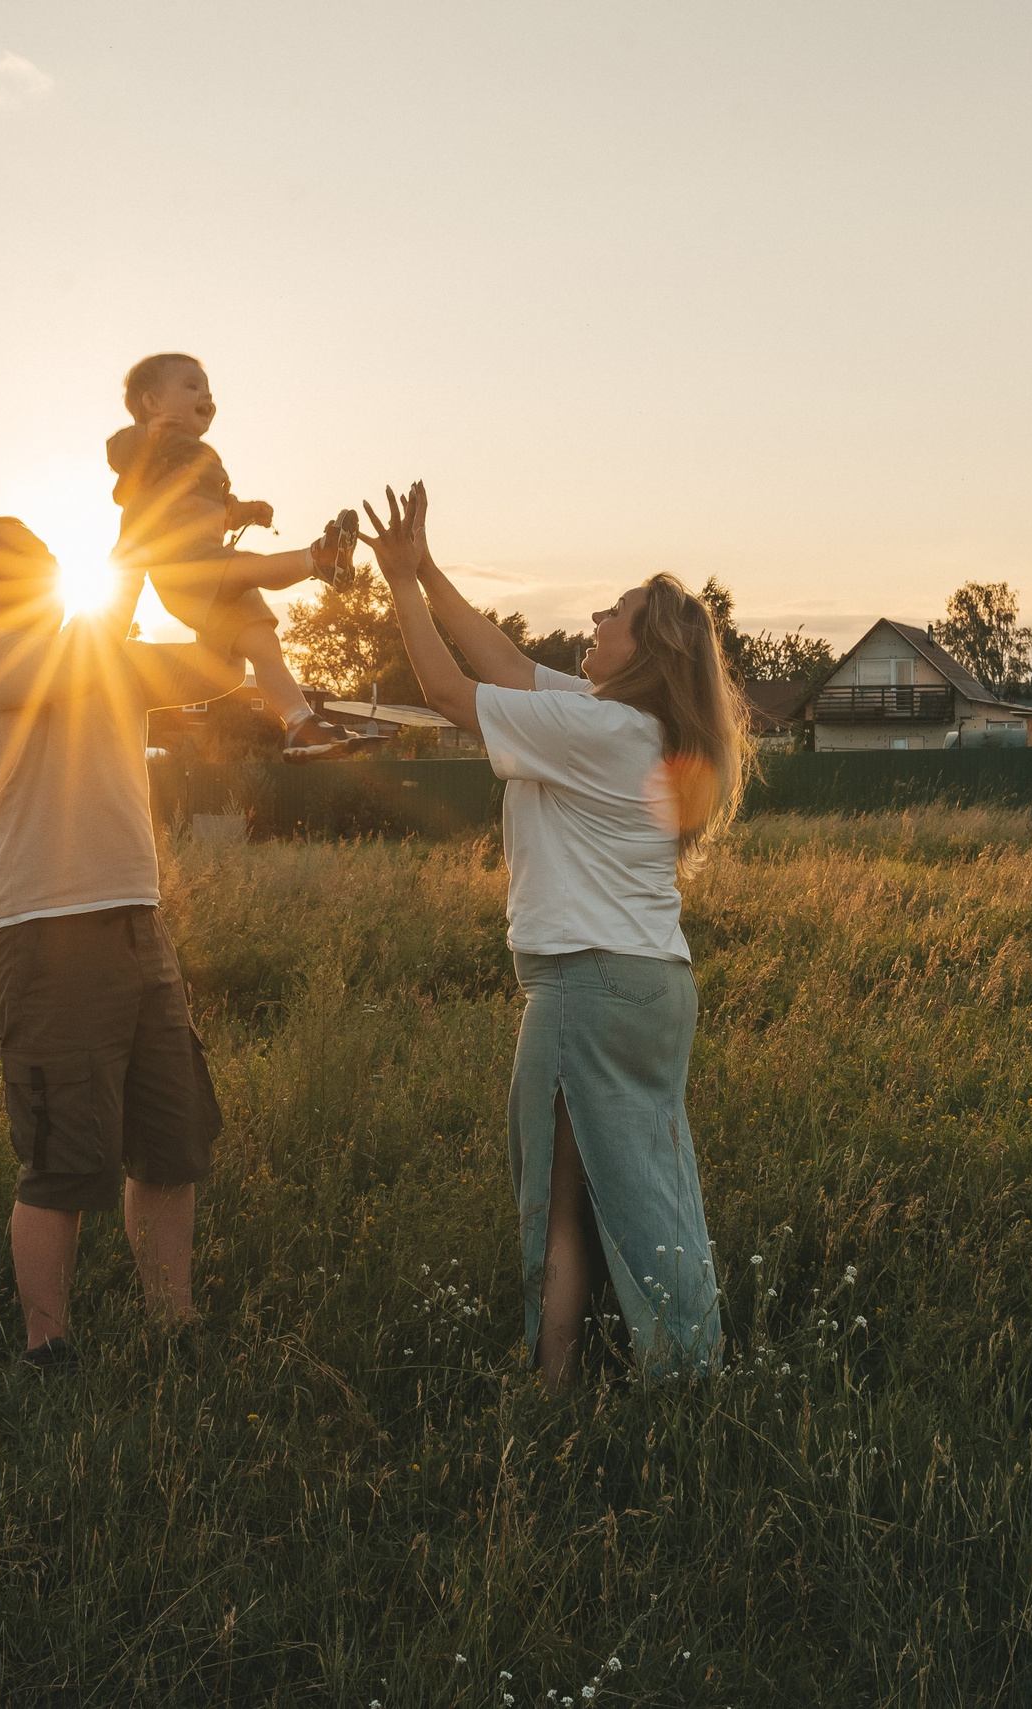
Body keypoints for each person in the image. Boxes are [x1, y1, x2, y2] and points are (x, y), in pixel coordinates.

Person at [363, 482, 746, 1384]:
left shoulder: (601, 727)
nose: (598, 614)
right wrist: (423, 566)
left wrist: (398, 588)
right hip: (647, 984)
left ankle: (596, 1383)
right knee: (642, 1188)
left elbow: (450, 689)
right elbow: (500, 658)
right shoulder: (623, 719)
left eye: (616, 611)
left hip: (589, 985)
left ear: (642, 647)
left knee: (561, 1200)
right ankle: (647, 1366)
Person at [0, 515, 240, 1372]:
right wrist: (148, 517)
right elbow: (100, 633)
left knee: (170, 1138)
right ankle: (48, 1349)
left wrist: (223, 583)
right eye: (29, 567)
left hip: (137, 926)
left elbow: (213, 668)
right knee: (62, 1157)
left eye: (47, 561)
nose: (46, 574)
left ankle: (173, 1326)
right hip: (44, 934)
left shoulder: (103, 658)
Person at [108, 351, 382, 762]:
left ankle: (300, 724)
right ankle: (317, 559)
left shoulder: (203, 457)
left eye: (208, 390)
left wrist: (247, 510)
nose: (206, 396)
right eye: (191, 386)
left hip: (213, 568)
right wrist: (145, 436)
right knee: (248, 568)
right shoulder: (148, 445)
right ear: (151, 403)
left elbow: (219, 509)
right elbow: (117, 452)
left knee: (264, 645)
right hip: (183, 568)